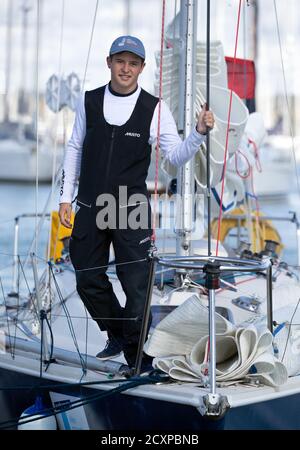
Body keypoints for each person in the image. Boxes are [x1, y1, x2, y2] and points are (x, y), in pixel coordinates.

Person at [59, 35, 214, 372]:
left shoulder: (155, 108)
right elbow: (74, 148)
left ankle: (137, 360)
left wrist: (199, 132)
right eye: (120, 61)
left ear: (141, 68)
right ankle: (118, 333)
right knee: (87, 277)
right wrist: (64, 198)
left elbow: (175, 155)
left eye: (133, 63)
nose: (125, 68)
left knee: (136, 285)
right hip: (88, 203)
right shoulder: (89, 101)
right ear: (109, 62)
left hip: (130, 207)